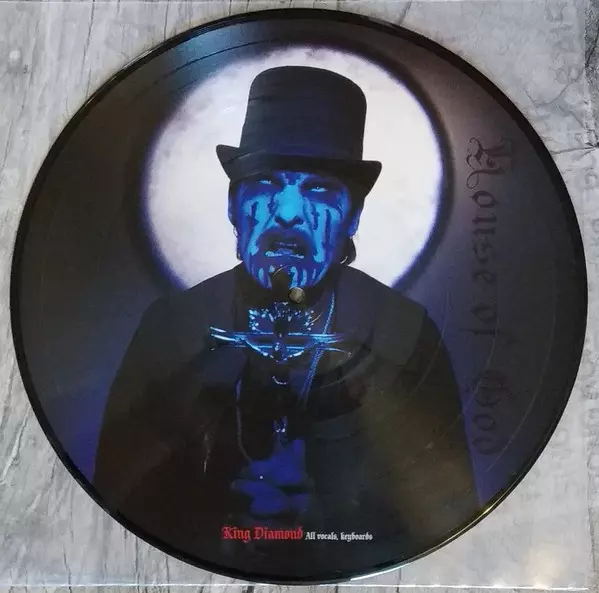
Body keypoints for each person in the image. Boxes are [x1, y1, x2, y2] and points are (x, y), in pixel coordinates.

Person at [93, 66, 479, 578]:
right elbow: (115, 507)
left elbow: (442, 524)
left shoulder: (403, 334)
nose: (289, 214)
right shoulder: (173, 326)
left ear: (353, 217)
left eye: (319, 189)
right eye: (265, 184)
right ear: (233, 206)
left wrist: (327, 522)